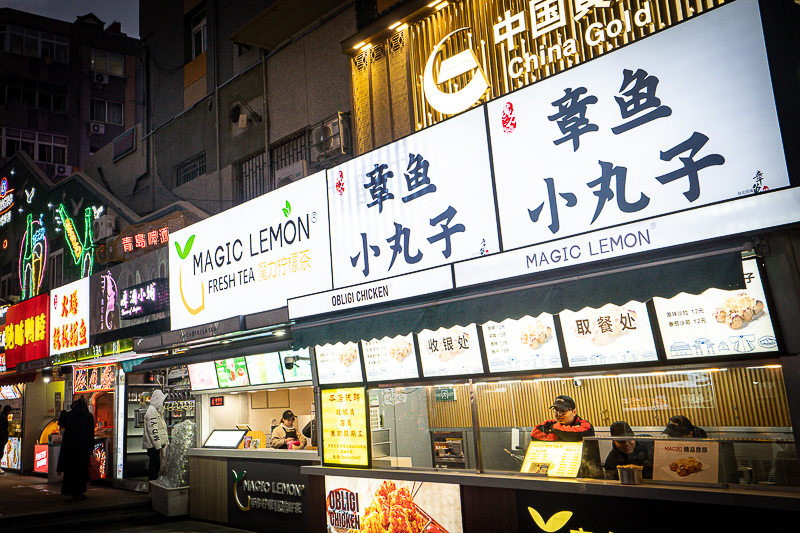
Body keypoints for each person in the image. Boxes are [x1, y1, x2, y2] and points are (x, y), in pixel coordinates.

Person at [531, 395, 602, 478]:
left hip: (588, 474)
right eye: (556, 411)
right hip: (561, 472)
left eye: (563, 411)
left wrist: (555, 430)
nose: (559, 414)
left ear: (574, 412)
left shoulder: (585, 425)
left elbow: (574, 434)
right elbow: (535, 433)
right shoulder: (551, 423)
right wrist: (561, 436)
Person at [57, 397, 95, 500]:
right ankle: (80, 492)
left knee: (70, 471)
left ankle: (70, 490)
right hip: (83, 448)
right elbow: (90, 434)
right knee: (81, 471)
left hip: (70, 448)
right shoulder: (88, 416)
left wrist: (63, 412)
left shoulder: (69, 415)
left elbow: (60, 423)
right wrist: (91, 448)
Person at [142, 390, 169, 481]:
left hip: (155, 445)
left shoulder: (156, 411)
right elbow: (153, 431)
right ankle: (152, 487)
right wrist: (158, 446)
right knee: (154, 467)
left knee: (155, 466)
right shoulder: (152, 412)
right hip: (154, 446)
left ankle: (153, 487)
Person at [0, 405, 11, 474]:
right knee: (0, 452)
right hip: (1, 438)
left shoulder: (2, 416)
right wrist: (4, 438)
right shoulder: (3, 417)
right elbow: (3, 429)